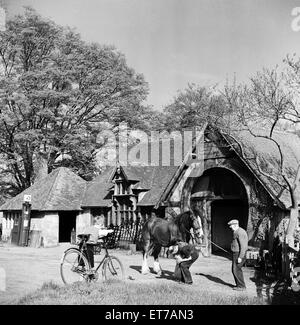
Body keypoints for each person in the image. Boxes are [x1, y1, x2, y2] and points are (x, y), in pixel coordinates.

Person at [228, 219, 248, 291]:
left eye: (231, 225)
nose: (230, 227)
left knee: (236, 270)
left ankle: (242, 286)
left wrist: (240, 257)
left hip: (239, 254)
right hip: (236, 253)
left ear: (235, 225)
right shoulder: (236, 231)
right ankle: (239, 285)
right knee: (234, 270)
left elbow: (244, 246)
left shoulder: (240, 232)